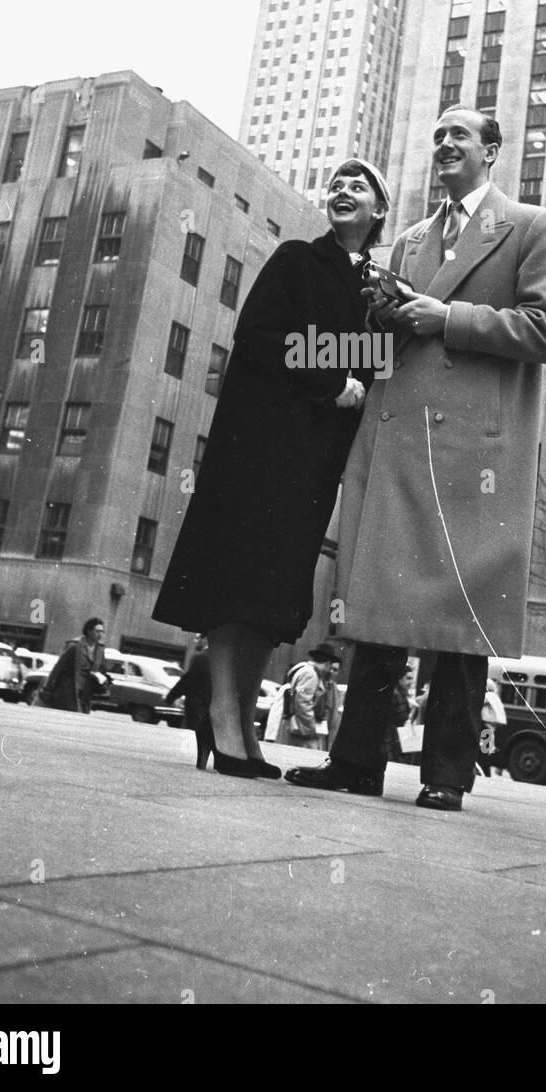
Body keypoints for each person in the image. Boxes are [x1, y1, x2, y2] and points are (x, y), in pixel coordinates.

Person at [287, 105, 546, 811]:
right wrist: (328, 349)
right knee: (381, 606)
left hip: (477, 456)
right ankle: (355, 762)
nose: (444, 143)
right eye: (438, 134)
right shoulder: (409, 240)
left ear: (492, 151)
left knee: (463, 618)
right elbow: (385, 347)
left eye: (460, 135)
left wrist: (447, 318)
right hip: (402, 440)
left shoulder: (534, 227)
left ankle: (446, 775)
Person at [152, 159, 390, 779]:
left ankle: (237, 724)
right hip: (261, 448)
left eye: (358, 186)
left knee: (271, 593)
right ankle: (229, 725)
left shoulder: (372, 286)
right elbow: (259, 336)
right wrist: (330, 379)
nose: (342, 191)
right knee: (239, 582)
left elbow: (372, 362)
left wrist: (350, 373)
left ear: (379, 212)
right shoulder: (295, 260)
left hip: (314, 463)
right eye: (336, 183)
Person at [273, 643, 338, 750]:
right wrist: (310, 728)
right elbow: (303, 702)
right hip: (302, 732)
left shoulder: (306, 670)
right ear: (327, 663)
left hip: (299, 728)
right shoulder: (310, 674)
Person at [164, 634, 214, 769]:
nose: (195, 641)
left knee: (200, 732)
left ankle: (201, 760)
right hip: (211, 704)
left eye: (198, 638)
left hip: (197, 704)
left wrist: (171, 697)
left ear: (206, 638)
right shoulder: (218, 658)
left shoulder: (200, 658)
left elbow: (188, 680)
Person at [37, 618, 106, 713]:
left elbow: (101, 670)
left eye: (102, 631)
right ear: (89, 631)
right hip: (70, 690)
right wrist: (48, 689)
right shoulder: (75, 646)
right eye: (97, 631)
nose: (100, 634)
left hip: (86, 693)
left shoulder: (100, 650)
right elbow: (58, 668)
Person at [385, 665, 415, 762]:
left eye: (412, 679)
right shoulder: (395, 694)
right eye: (408, 678)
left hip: (398, 741)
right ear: (399, 679)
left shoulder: (402, 695)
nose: (411, 682)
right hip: (392, 741)